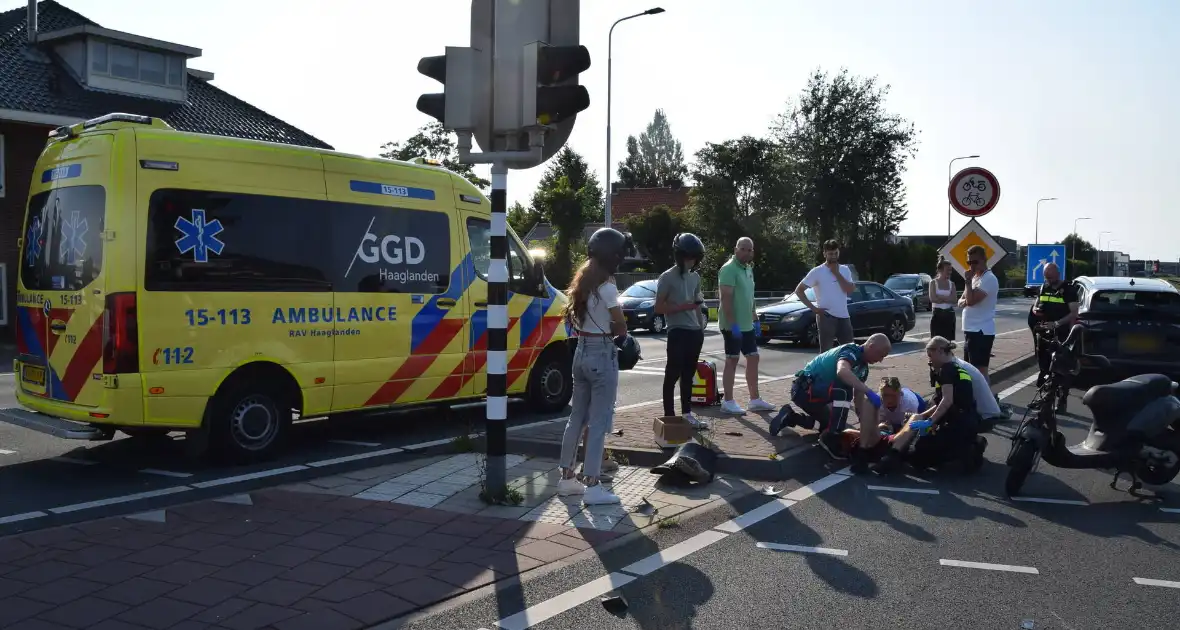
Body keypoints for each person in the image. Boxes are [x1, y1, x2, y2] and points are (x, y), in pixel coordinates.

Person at [556, 227, 631, 505]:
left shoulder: (582, 282)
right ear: (613, 256)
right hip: (601, 352)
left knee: (576, 418)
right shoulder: (608, 287)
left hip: (581, 350)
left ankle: (566, 479)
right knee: (598, 422)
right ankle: (593, 484)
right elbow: (620, 325)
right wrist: (622, 329)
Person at [768, 333, 893, 460]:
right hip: (803, 390)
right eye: (881, 355)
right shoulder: (850, 351)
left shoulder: (863, 369)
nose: (881, 360)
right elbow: (842, 371)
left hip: (817, 395)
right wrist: (868, 391)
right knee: (845, 391)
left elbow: (858, 398)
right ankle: (831, 438)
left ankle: (791, 417)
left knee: (832, 424)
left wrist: (864, 424)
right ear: (871, 346)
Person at [872, 336, 982, 476]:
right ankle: (964, 446)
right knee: (921, 449)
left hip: (958, 425)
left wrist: (930, 421)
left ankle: (970, 449)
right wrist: (922, 416)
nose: (929, 360)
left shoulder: (946, 370)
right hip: (968, 421)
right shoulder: (958, 369)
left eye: (930, 355)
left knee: (918, 456)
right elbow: (939, 403)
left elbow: (947, 401)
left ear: (941, 351)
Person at [656, 233, 709, 428]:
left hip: (694, 332)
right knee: (672, 373)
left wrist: (700, 328)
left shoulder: (695, 277)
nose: (691, 261)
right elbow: (658, 308)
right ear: (679, 256)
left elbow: (696, 304)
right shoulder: (667, 277)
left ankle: (687, 413)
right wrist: (682, 307)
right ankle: (669, 417)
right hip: (677, 331)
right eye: (688, 257)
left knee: (689, 375)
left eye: (695, 258)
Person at [718, 237, 774, 415]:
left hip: (747, 323)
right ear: (736, 250)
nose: (747, 253)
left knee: (753, 357)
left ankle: (755, 399)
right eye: (743, 249)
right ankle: (728, 401)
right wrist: (733, 325)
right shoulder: (728, 269)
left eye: (750, 250)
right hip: (732, 324)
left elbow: (750, 296)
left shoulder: (749, 269)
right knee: (732, 359)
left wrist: (755, 318)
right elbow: (725, 299)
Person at [1028, 262, 1079, 412]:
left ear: (1058, 273)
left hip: (1062, 335)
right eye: (1046, 277)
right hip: (1044, 334)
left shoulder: (1069, 290)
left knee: (1061, 369)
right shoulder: (1044, 287)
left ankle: (1062, 401)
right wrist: (1037, 310)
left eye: (1051, 276)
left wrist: (1056, 324)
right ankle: (1044, 400)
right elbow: (1036, 305)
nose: (1049, 280)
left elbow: (1074, 313)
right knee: (1044, 367)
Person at [795, 240, 857, 351]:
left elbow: (849, 290)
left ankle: (847, 368)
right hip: (826, 317)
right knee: (826, 352)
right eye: (830, 254)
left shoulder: (844, 270)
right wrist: (814, 309)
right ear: (824, 254)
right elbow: (799, 291)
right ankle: (825, 369)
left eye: (835, 253)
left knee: (850, 350)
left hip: (844, 316)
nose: (833, 256)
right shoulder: (817, 272)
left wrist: (836, 273)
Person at [958, 244, 999, 385]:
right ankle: (977, 400)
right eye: (969, 262)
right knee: (969, 369)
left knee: (980, 371)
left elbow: (970, 301)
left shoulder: (989, 279)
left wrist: (968, 284)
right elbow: (960, 301)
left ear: (983, 260)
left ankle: (987, 402)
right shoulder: (975, 278)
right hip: (970, 330)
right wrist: (968, 292)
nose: (971, 266)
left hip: (981, 331)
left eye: (975, 262)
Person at [929, 259, 957, 340]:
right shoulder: (933, 283)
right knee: (936, 342)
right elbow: (933, 299)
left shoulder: (952, 284)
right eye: (947, 270)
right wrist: (948, 298)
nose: (949, 272)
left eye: (950, 270)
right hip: (937, 315)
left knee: (948, 342)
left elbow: (954, 300)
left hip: (949, 315)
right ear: (940, 270)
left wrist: (940, 297)